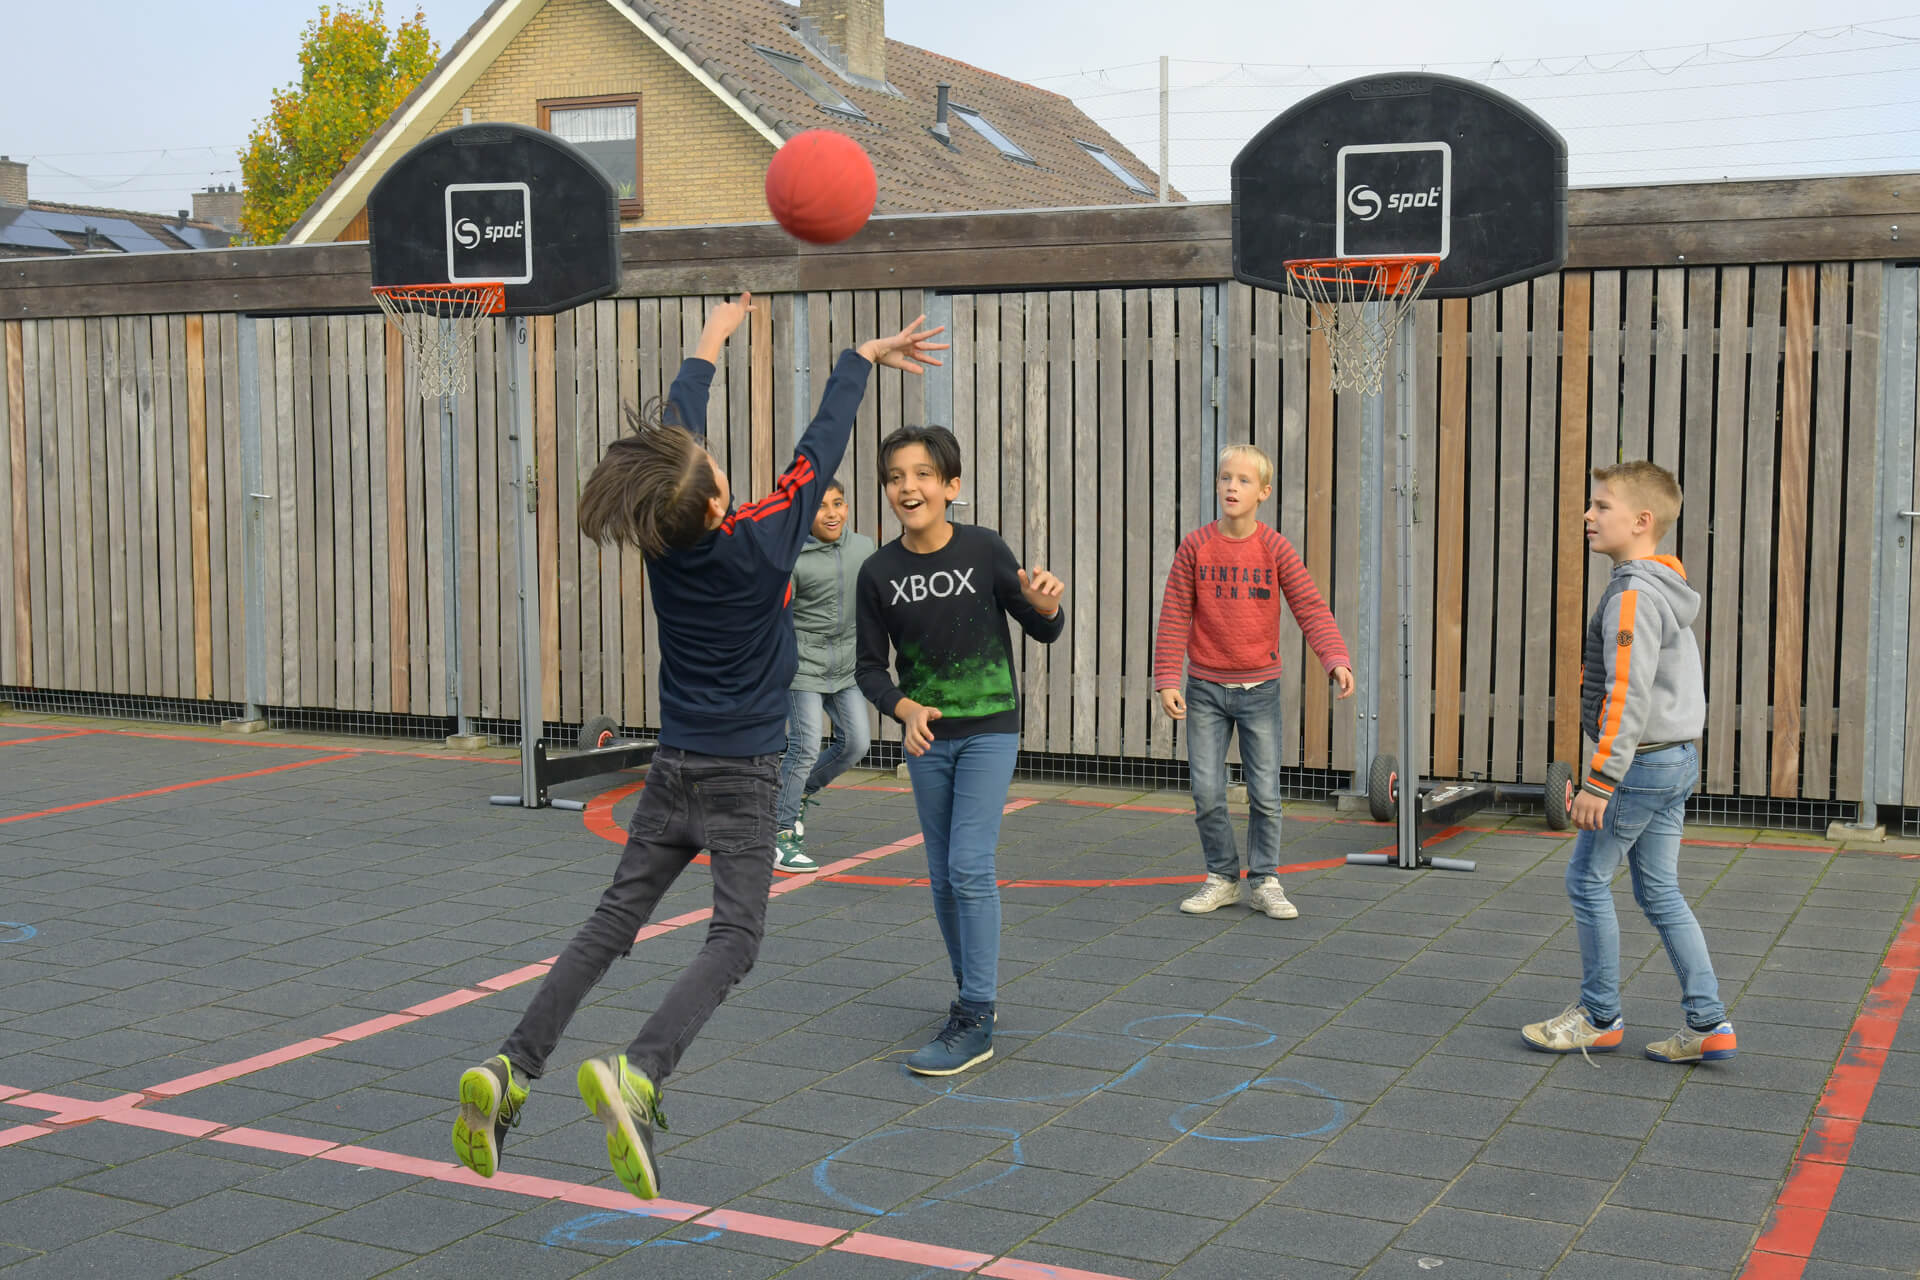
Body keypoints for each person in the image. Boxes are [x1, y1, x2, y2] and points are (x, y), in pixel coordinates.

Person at [450, 294, 946, 1200]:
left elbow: (677, 441)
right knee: (736, 936)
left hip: (671, 767)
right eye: (713, 467)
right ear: (718, 497)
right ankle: (638, 1073)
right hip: (745, 775)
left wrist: (711, 343)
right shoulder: (762, 541)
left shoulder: (659, 536)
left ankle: (514, 1066)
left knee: (611, 924)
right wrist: (856, 359)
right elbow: (819, 449)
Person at [855, 425, 1065, 1075]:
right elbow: (869, 670)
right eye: (895, 477)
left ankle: (975, 1012)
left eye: (921, 475)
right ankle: (971, 994)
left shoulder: (984, 550)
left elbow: (1042, 628)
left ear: (952, 486)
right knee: (945, 874)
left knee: (971, 864)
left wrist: (1045, 606)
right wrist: (904, 708)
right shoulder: (878, 571)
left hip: (989, 729)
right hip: (927, 741)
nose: (907, 487)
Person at [1522, 460, 1736, 1065]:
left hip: (1639, 766)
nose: (1588, 515)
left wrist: (1601, 779)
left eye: (1602, 506)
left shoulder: (1635, 596)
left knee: (1586, 880)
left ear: (1642, 521)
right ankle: (1708, 1023)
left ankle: (1598, 1015)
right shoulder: (1662, 586)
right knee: (1660, 890)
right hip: (1675, 759)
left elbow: (1627, 695)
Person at [1153, 443, 1355, 920]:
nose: (1232, 487)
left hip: (1260, 690)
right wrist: (1167, 678)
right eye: (1225, 478)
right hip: (1204, 689)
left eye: (1244, 481)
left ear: (1263, 492)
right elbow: (1175, 614)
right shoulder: (1195, 546)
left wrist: (1335, 658)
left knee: (1265, 793)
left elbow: (1309, 607)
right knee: (1206, 791)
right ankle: (1222, 878)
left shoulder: (1275, 548)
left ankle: (1265, 880)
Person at [773, 479, 876, 873]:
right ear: (804, 514)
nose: (832, 513)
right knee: (805, 745)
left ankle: (792, 796)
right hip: (803, 666)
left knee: (856, 744)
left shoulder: (863, 548)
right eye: (821, 507)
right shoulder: (792, 558)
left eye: (839, 503)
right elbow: (776, 619)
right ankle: (780, 835)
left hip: (846, 665)